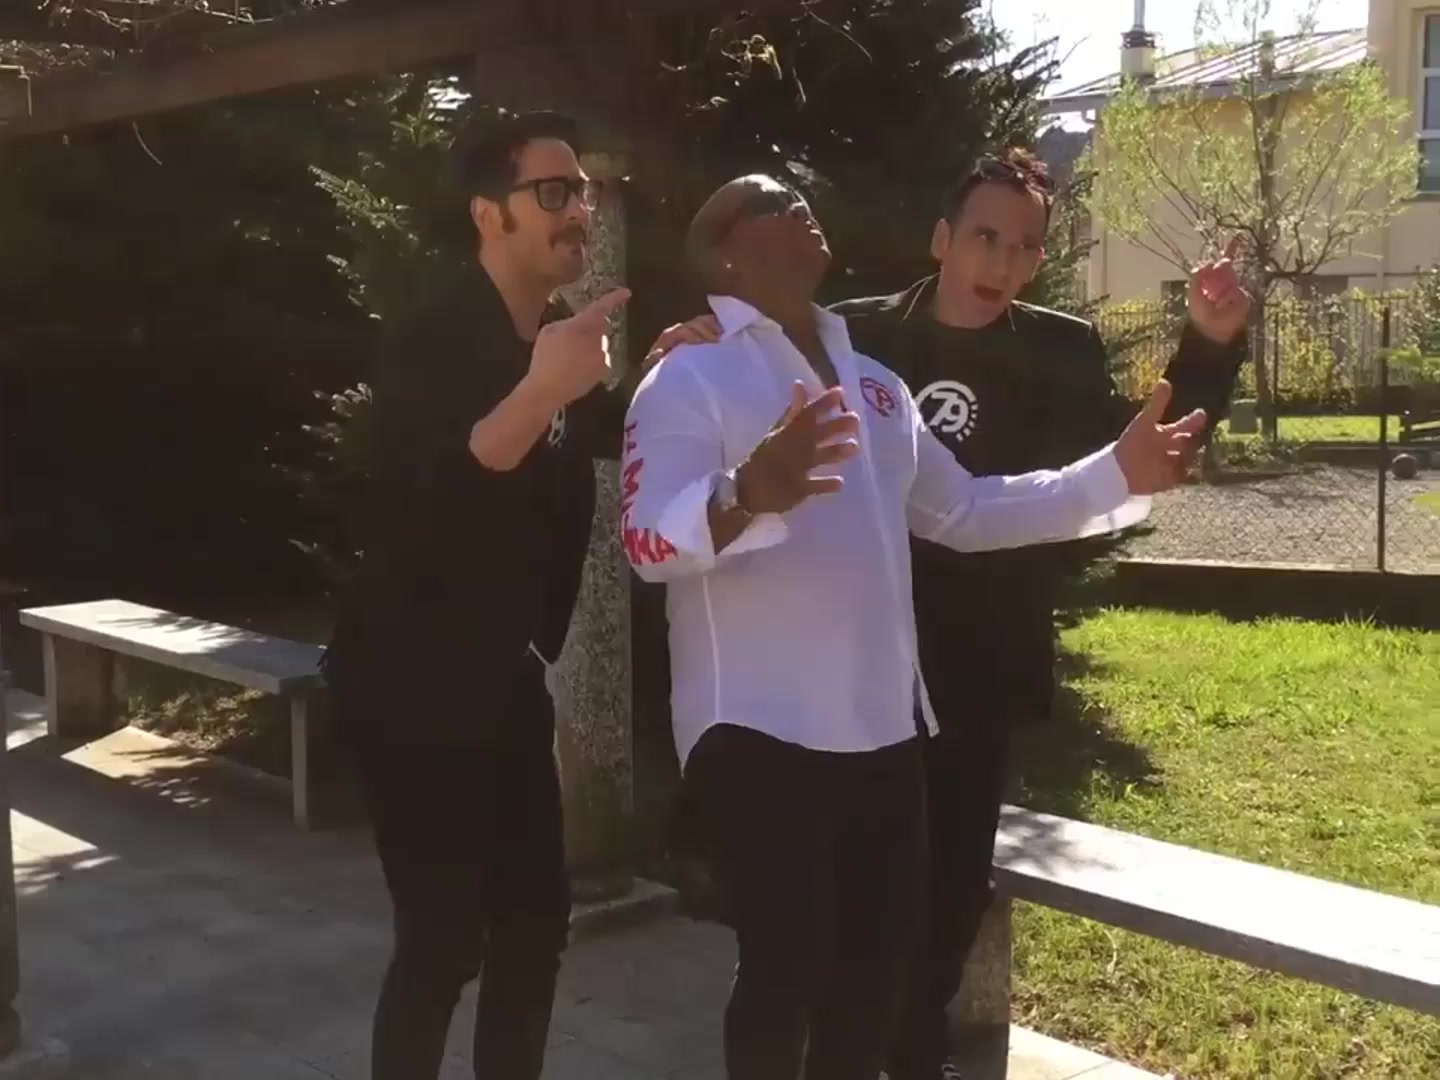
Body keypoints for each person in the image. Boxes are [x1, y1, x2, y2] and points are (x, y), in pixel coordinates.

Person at [648, 150, 1251, 1080]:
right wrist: (739, 481)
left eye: (1024, 245)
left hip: (915, 711)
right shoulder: (722, 370)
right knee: (789, 964)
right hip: (775, 721)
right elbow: (652, 537)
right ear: (723, 256)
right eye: (766, 202)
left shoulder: (898, 379)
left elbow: (975, 506)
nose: (797, 205)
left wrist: (1125, 461)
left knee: (895, 959)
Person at [322, 108, 678, 1080]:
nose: (579, 210)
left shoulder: (559, 339)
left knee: (533, 924)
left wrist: (668, 375)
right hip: (406, 678)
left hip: (503, 676)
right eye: (553, 191)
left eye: (583, 191)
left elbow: (603, 436)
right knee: (443, 939)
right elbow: (431, 487)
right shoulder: (430, 335)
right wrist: (542, 391)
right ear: (490, 214)